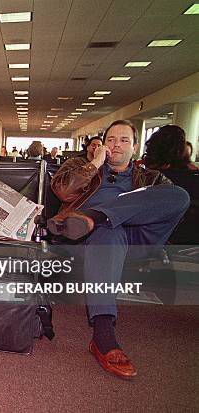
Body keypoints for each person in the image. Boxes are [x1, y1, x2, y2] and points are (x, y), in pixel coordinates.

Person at [48, 120, 189, 379]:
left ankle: (97, 216)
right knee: (109, 233)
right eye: (111, 139)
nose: (117, 145)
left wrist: (104, 214)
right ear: (103, 144)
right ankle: (103, 334)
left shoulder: (152, 178)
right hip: (88, 238)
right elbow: (62, 190)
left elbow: (168, 206)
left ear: (134, 148)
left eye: (124, 140)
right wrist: (95, 164)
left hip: (135, 237)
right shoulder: (81, 166)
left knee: (179, 195)